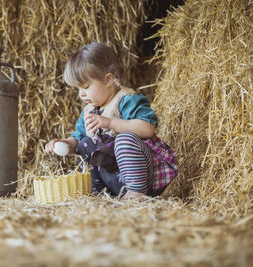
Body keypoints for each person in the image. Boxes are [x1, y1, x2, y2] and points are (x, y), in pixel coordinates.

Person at [45, 42, 177, 200]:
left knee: (124, 139)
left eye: (86, 87)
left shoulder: (127, 100)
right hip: (113, 180)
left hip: (139, 176)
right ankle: (96, 192)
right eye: (78, 89)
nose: (81, 94)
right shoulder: (90, 111)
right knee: (85, 143)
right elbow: (78, 140)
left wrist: (110, 123)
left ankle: (136, 192)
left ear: (108, 80)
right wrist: (66, 144)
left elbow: (147, 129)